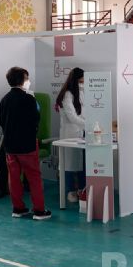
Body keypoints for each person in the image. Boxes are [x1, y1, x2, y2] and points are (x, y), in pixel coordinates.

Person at [0, 66, 51, 221]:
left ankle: (18, 208)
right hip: (27, 145)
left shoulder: (4, 100)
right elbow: (36, 120)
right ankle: (39, 210)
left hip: (10, 146)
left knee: (14, 178)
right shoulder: (29, 99)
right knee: (34, 177)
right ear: (22, 80)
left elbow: (0, 120)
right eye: (27, 78)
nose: (28, 81)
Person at [56, 67, 86, 203]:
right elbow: (72, 117)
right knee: (69, 164)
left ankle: (81, 189)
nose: (82, 84)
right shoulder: (67, 94)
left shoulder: (82, 92)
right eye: (81, 82)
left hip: (81, 133)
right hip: (70, 133)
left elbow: (84, 112)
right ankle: (69, 190)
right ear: (75, 81)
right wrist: (89, 124)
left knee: (81, 164)